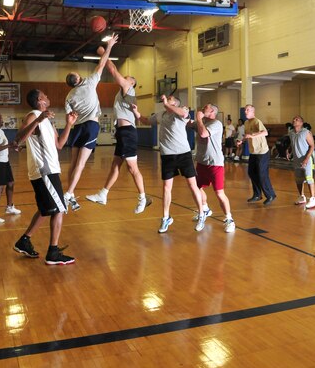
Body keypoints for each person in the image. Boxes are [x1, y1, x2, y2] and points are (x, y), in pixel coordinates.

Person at [13, 89, 78, 265]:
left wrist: (69, 124)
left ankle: (24, 241)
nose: (48, 97)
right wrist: (39, 120)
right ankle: (53, 252)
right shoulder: (32, 115)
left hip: (50, 170)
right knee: (59, 209)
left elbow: (59, 145)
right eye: (46, 95)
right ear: (40, 99)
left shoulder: (48, 120)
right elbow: (19, 138)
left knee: (45, 209)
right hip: (44, 171)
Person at [86, 52, 152, 213]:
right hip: (123, 132)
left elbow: (114, 70)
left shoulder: (128, 89)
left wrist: (105, 53)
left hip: (128, 132)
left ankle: (143, 198)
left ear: (132, 83)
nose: (126, 77)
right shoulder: (122, 94)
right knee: (115, 165)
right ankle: (103, 194)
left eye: (129, 77)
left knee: (132, 168)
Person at [134, 94, 205, 233]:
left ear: (175, 103)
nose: (167, 99)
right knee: (166, 187)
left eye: (171, 99)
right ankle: (166, 217)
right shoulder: (160, 114)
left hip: (184, 154)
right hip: (167, 155)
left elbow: (184, 113)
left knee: (192, 185)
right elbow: (147, 120)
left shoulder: (181, 111)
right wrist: (136, 112)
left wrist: (168, 104)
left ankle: (201, 214)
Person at [63, 34, 118, 211]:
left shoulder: (69, 96)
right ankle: (69, 193)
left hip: (77, 128)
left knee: (73, 163)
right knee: (81, 164)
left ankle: (68, 190)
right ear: (78, 79)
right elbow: (102, 63)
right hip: (91, 126)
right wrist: (109, 46)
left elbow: (69, 117)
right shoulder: (90, 82)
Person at [190, 103, 236, 233]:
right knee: (197, 188)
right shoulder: (202, 121)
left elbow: (204, 134)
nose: (203, 107)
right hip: (202, 162)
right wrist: (183, 113)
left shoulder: (215, 124)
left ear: (212, 112)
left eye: (206, 107)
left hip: (215, 163)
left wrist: (198, 119)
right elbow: (188, 124)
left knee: (219, 193)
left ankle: (229, 219)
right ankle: (205, 209)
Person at [238, 104, 276, 205]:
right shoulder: (246, 123)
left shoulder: (256, 121)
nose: (245, 111)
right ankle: (257, 194)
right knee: (251, 173)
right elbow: (247, 135)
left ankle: (271, 195)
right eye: (245, 110)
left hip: (262, 152)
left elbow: (265, 132)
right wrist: (241, 141)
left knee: (262, 174)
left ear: (253, 112)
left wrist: (253, 135)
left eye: (248, 110)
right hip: (253, 152)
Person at [0, 111, 21, 224]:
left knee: (10, 183)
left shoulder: (0, 131)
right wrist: (9, 145)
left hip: (4, 162)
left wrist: (13, 148)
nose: (2, 118)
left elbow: (2, 147)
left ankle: (9, 207)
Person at [287, 115, 315, 209]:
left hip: (307, 160)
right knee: (298, 180)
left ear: (301, 123)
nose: (294, 120)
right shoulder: (291, 133)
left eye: (297, 119)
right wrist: (288, 150)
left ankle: (313, 198)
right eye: (294, 119)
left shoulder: (306, 132)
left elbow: (312, 146)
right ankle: (302, 196)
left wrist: (306, 159)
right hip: (297, 160)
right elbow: (293, 143)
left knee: (309, 179)